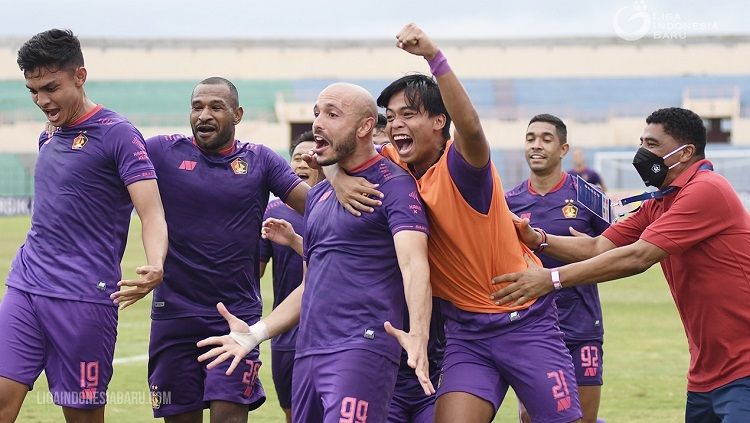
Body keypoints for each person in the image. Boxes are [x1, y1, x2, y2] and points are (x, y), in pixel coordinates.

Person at [326, 24, 582, 423]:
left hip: (525, 321)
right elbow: (331, 148)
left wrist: (433, 56)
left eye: (408, 114)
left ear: (439, 122)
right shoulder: (394, 164)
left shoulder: (462, 167)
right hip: (467, 334)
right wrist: (337, 176)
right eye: (390, 117)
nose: (394, 125)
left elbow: (473, 128)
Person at [492, 107, 750, 423]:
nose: (642, 151)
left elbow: (638, 256)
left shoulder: (706, 190)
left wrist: (552, 279)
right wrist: (539, 239)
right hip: (706, 372)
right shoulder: (660, 202)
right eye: (642, 141)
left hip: (744, 368)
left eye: (652, 144)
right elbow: (598, 246)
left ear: (686, 153)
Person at [197, 82, 434, 423]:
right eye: (317, 113)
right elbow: (312, 285)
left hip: (361, 347)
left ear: (365, 126)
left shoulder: (395, 186)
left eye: (332, 114)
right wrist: (256, 333)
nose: (319, 122)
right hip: (308, 351)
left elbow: (414, 265)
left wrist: (419, 335)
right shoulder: (321, 196)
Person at [0, 29, 168, 423]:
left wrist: (156, 263)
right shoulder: (50, 133)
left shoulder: (119, 135)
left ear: (80, 75)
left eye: (51, 88)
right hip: (26, 287)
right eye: (33, 91)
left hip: (84, 299)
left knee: (82, 416)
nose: (42, 100)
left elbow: (152, 212)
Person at [143, 77, 313, 423]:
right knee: (179, 416)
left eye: (216, 107)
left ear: (237, 114)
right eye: (197, 107)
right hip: (173, 315)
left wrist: (343, 185)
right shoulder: (162, 151)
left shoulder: (261, 160)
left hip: (234, 316)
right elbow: (111, 163)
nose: (204, 115)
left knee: (229, 415)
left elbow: (314, 206)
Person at [506, 114, 609, 423]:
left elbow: (616, 251)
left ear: (563, 149)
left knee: (583, 419)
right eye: (530, 138)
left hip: (581, 326)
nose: (536, 145)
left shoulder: (589, 197)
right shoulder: (508, 202)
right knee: (532, 418)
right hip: (530, 328)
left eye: (546, 139)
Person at [258, 130, 321, 423]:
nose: (304, 163)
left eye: (312, 157)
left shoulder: (342, 209)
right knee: (294, 413)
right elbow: (253, 273)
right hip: (286, 331)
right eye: (297, 157)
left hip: (330, 329)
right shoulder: (273, 212)